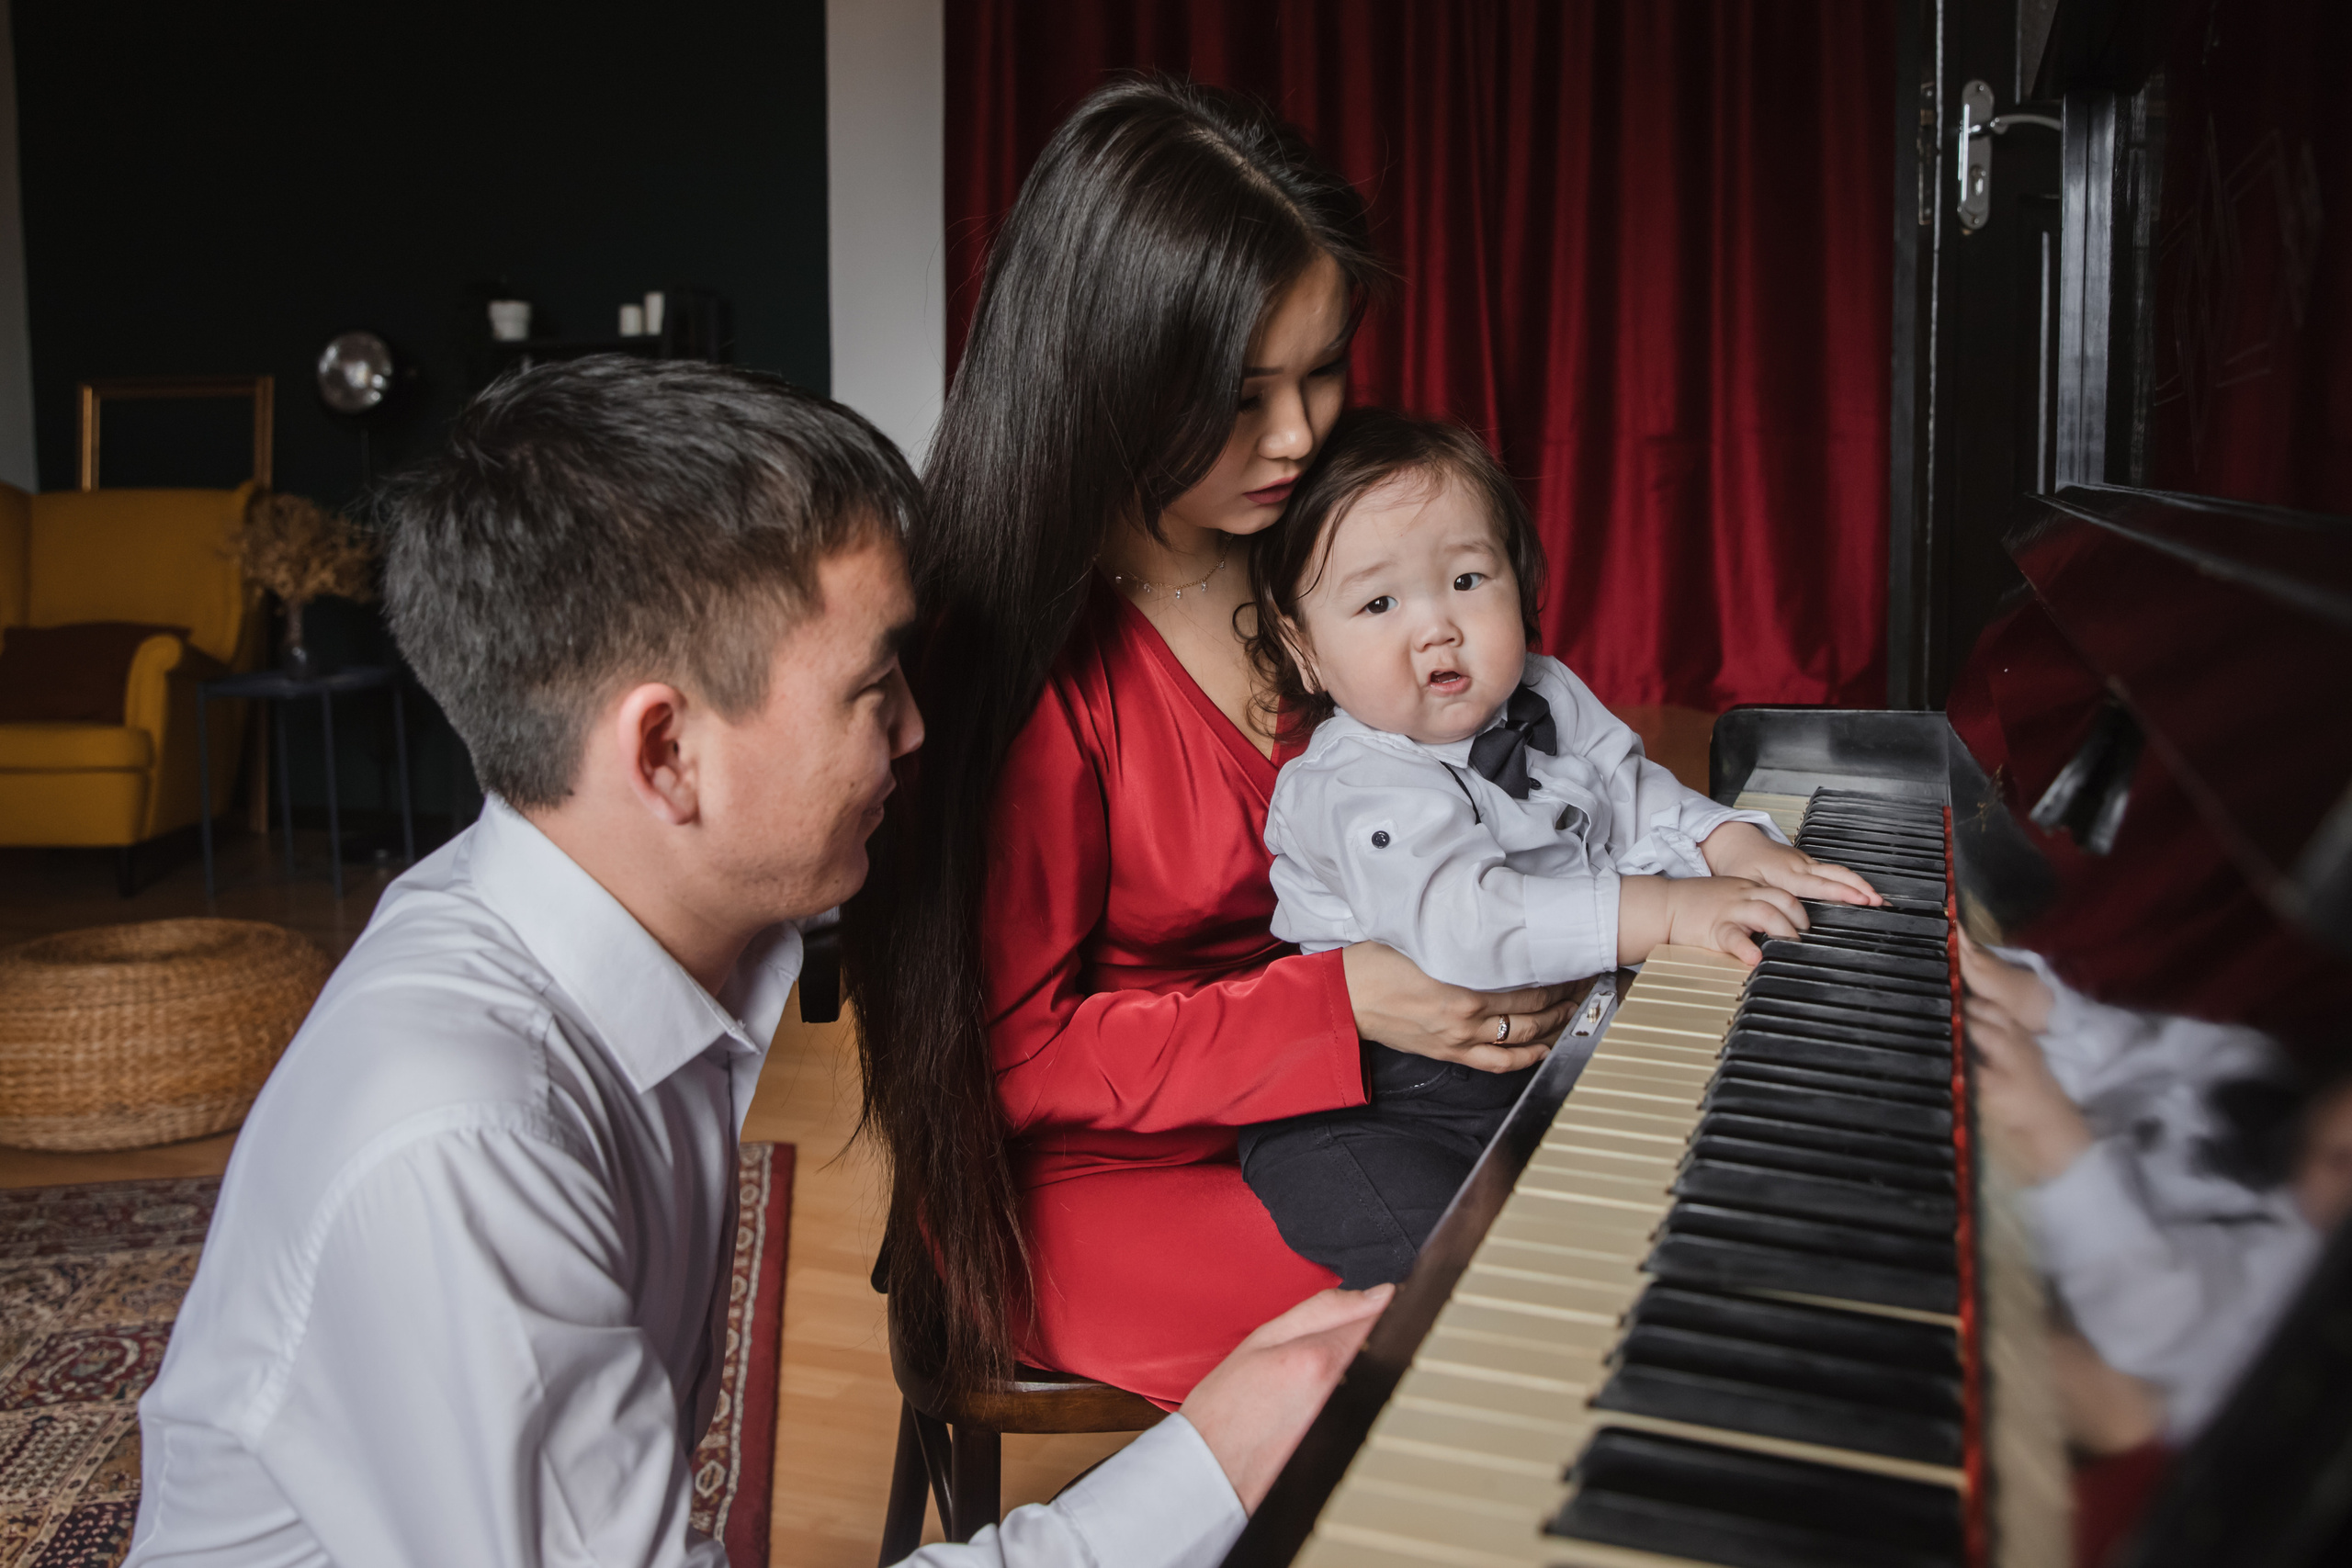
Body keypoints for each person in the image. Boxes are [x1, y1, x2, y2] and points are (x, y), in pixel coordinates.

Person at [123, 356, 1388, 1568]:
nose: (917, 724)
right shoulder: (459, 1140)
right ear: (666, 752)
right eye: (871, 683)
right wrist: (1222, 1452)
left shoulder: (604, 913)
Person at [845, 78, 1580, 1413]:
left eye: (1321, 371)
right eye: (1244, 397)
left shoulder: (1318, 541)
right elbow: (1007, 1058)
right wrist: (1343, 1002)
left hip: (1353, 1098)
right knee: (1509, 1332)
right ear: (1107, 375)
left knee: (1606, 1229)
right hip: (1099, 1173)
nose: (1301, 436)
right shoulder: (1018, 657)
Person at [1236, 407, 1882, 1285]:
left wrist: (1725, 838)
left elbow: (1632, 789)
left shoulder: (1547, 692)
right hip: (1379, 1098)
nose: (1437, 628)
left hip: (1549, 1040)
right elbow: (1467, 925)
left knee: (1691, 1158)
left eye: (1468, 579)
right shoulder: (1354, 782)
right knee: (1458, 1269)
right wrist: (1661, 909)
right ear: (1303, 647)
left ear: (1521, 576)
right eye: (1380, 602)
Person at [1961, 931, 2352, 1444]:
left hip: (2095, 1332)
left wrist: (2055, 1137)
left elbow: (2154, 1322)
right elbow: (2117, 1050)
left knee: (2124, 1411)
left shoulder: (2300, 1285)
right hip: (2019, 1193)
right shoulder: (2253, 1064)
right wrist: (2037, 1007)